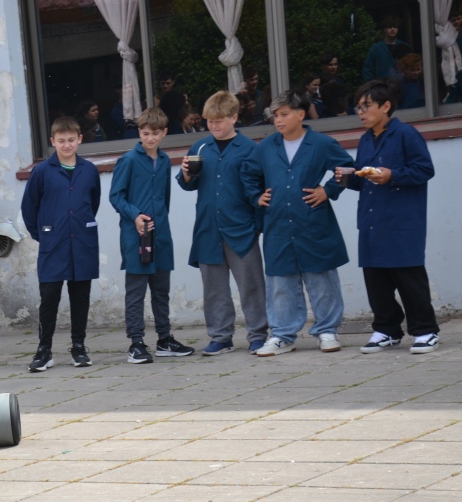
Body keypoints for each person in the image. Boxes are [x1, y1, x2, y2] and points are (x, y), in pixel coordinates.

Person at [240, 90, 354, 356]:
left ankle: (327, 331)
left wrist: (328, 190)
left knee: (321, 278)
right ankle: (282, 335)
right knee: (280, 282)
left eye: (284, 114)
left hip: (313, 222)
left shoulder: (322, 144)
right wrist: (257, 196)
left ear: (301, 115)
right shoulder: (266, 146)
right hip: (278, 224)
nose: (277, 120)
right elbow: (248, 174)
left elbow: (347, 168)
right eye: (274, 115)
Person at [341, 80, 439, 353]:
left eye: (366, 106)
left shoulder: (406, 134)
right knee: (377, 280)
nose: (361, 112)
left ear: (386, 106)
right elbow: (365, 177)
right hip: (372, 220)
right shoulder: (364, 139)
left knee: (408, 277)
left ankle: (425, 330)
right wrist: (348, 178)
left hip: (402, 219)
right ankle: (386, 330)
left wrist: (392, 175)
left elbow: (424, 170)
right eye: (357, 107)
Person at [178, 91, 268, 356]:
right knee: (214, 288)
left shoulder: (250, 149)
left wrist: (257, 226)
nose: (214, 126)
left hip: (241, 228)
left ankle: (258, 335)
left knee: (252, 284)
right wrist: (184, 175)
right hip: (208, 228)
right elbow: (188, 185)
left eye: (219, 120)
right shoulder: (200, 147)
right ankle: (220, 337)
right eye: (209, 121)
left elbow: (259, 188)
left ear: (234, 117)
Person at [109, 107, 194, 364]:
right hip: (136, 235)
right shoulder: (129, 160)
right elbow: (116, 196)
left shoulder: (166, 160)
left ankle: (165, 339)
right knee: (136, 292)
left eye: (155, 134)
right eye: (145, 133)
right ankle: (136, 343)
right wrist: (135, 216)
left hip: (161, 235)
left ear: (164, 133)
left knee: (161, 290)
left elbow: (164, 197)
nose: (150, 138)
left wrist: (162, 223)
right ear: (139, 132)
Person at [20, 116, 101, 371]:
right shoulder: (42, 171)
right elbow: (29, 207)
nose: (66, 145)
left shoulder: (89, 170)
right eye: (61, 141)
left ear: (79, 139)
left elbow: (93, 202)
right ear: (53, 141)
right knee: (49, 298)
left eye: (71, 140)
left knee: (80, 298)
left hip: (82, 243)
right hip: (52, 243)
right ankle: (44, 350)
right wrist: (42, 235)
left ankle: (79, 347)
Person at [363, 15, 411, 82]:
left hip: (402, 85)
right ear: (384, 30)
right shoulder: (376, 48)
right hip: (383, 87)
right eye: (389, 27)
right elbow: (367, 69)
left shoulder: (404, 47)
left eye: (395, 27)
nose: (392, 29)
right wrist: (373, 85)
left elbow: (412, 65)